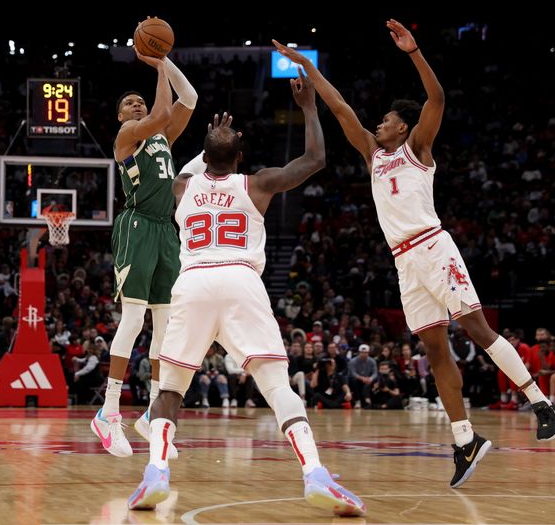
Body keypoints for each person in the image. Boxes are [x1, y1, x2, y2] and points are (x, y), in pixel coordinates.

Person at [274, 18, 555, 489]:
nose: (378, 123)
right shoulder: (372, 153)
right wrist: (307, 64)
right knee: (433, 347)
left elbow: (438, 100)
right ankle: (465, 440)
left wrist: (413, 52)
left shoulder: (418, 149)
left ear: (402, 127)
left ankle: (540, 401)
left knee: (476, 326)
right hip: (404, 261)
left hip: (432, 246)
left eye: (386, 119)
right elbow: (340, 107)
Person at [124, 74, 364, 517]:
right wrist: (309, 107)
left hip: (192, 283)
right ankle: (314, 472)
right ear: (240, 156)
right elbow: (315, 158)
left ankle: (156, 471)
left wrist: (209, 145)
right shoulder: (257, 184)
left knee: (171, 389)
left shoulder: (181, 189)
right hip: (240, 281)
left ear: (205, 157)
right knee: (275, 386)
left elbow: (184, 171)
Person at [92, 46, 197, 457]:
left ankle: (153, 416)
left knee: (166, 327)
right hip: (135, 226)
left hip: (165, 231)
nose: (136, 105)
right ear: (121, 116)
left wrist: (165, 63)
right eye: (128, 103)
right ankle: (108, 412)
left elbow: (188, 100)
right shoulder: (127, 136)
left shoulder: (162, 139)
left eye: (139, 100)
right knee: (133, 318)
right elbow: (161, 114)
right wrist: (155, 70)